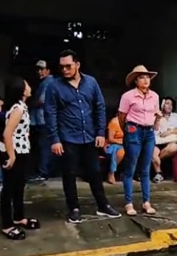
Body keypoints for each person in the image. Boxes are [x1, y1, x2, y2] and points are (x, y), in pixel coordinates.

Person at [44, 49, 120, 224]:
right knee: (69, 174)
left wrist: (101, 133)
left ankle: (102, 205)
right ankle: (74, 208)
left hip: (90, 137)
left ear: (77, 64)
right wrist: (55, 139)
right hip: (68, 138)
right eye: (62, 67)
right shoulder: (54, 86)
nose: (65, 70)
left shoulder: (91, 83)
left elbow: (99, 107)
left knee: (94, 172)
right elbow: (50, 113)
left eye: (68, 66)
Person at [0, 77, 40, 240]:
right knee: (8, 189)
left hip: (22, 151)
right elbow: (7, 133)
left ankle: (18, 216)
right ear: (22, 90)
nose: (30, 87)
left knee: (18, 187)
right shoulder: (18, 109)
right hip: (14, 152)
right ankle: (7, 225)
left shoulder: (22, 106)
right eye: (27, 84)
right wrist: (11, 155)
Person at [118, 65, 161, 216]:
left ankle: (146, 202)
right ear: (136, 81)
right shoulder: (128, 96)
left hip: (149, 131)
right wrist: (128, 130)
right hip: (133, 130)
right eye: (142, 77)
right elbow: (121, 117)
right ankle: (129, 203)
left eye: (147, 77)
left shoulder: (154, 96)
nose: (145, 80)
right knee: (130, 167)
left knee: (145, 168)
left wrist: (157, 122)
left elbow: (156, 116)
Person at [30, 60, 55, 182]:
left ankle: (43, 173)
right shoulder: (43, 83)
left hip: (44, 120)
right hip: (40, 120)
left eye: (42, 69)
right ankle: (42, 171)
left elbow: (42, 100)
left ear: (48, 70)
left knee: (44, 146)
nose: (39, 72)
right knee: (42, 147)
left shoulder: (49, 82)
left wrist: (29, 102)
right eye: (38, 69)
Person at [152, 96, 177, 183]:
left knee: (173, 147)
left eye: (171, 104)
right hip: (158, 141)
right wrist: (158, 118)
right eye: (167, 103)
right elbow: (155, 130)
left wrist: (169, 132)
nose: (169, 106)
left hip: (171, 141)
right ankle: (159, 173)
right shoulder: (156, 117)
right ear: (162, 105)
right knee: (153, 151)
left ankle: (155, 163)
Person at [104, 114, 125, 185]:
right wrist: (121, 142)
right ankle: (111, 172)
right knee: (120, 153)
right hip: (114, 143)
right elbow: (110, 139)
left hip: (127, 143)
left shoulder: (130, 121)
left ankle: (129, 176)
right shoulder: (114, 122)